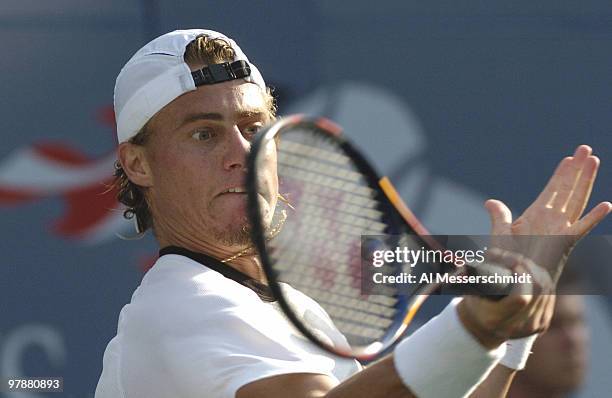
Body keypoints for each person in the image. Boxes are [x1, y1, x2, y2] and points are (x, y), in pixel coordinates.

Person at [95, 29, 611, 398]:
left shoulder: (290, 306)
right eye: (203, 133)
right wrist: (472, 326)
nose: (242, 153)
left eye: (254, 128)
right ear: (138, 163)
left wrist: (511, 334)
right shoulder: (180, 306)